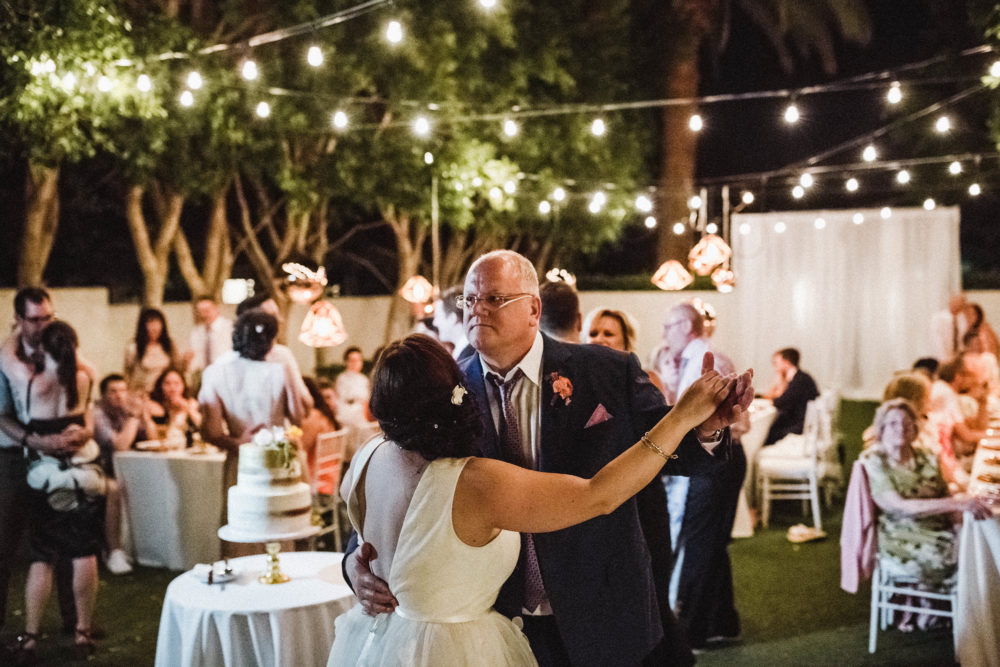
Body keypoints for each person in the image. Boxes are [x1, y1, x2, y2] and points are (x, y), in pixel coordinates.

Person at [347, 250, 753, 666]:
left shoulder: (605, 371)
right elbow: (401, 486)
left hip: (603, 607)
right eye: (469, 300)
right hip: (497, 619)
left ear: (533, 309)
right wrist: (355, 566)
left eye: (494, 299)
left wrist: (706, 428)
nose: (477, 310)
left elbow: (677, 454)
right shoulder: (444, 386)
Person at [8, 321, 103, 660]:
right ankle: (82, 633)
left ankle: (31, 637)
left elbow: (8, 360)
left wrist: (19, 333)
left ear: (41, 350)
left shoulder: (33, 382)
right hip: (85, 472)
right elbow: (82, 364)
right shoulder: (85, 378)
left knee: (42, 556)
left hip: (46, 477)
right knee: (83, 552)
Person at [0, 288, 86, 643]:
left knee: (66, 538)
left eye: (47, 317)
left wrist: (81, 428)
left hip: (57, 457)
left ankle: (74, 621)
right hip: (11, 457)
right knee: (4, 541)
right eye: (34, 319)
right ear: (19, 320)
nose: (42, 325)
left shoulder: (60, 347)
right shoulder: (7, 357)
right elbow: (1, 416)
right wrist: (33, 441)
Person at [860, 399, 991, 626]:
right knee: (963, 557)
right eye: (892, 424)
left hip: (937, 525)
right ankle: (968, 621)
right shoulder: (875, 463)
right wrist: (958, 504)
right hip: (902, 532)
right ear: (881, 429)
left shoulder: (926, 456)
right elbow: (901, 506)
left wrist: (959, 519)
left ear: (915, 429)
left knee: (976, 543)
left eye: (906, 423)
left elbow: (945, 491)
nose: (900, 428)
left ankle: (975, 617)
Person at [660, 303, 746, 649]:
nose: (664, 336)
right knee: (710, 541)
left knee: (699, 542)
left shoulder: (704, 361)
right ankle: (721, 621)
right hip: (719, 456)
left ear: (684, 325)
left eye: (668, 327)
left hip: (715, 457)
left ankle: (692, 629)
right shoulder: (697, 360)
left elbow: (722, 420)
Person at [199, 311, 312, 555]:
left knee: (243, 533)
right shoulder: (280, 370)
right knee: (279, 534)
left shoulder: (215, 372)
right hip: (278, 460)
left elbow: (211, 431)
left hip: (242, 462)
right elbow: (298, 417)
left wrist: (239, 442)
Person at [92, 373, 156, 575]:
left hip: (128, 470)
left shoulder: (125, 412)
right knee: (114, 488)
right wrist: (134, 417)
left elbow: (153, 439)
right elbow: (120, 445)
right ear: (102, 395)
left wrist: (144, 415)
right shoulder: (97, 414)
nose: (119, 396)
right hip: (100, 469)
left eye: (122, 390)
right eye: (113, 391)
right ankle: (114, 551)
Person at [763, 348, 820, 445]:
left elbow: (780, 402)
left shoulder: (799, 381)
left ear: (786, 363)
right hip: (801, 423)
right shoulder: (801, 377)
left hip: (798, 427)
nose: (775, 367)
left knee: (768, 434)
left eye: (776, 363)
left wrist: (779, 378)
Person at [124, 308, 184, 394]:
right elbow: (128, 374)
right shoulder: (133, 347)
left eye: (157, 323)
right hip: (143, 393)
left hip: (165, 393)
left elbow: (178, 369)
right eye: (150, 323)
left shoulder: (170, 345)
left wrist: (185, 361)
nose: (154, 327)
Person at [300, 376, 342, 483]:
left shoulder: (314, 416)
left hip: (316, 481)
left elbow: (298, 448)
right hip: (330, 477)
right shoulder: (325, 415)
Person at [146, 368, 201, 443]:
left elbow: (204, 428)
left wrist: (188, 409)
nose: (172, 388)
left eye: (177, 383)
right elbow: (152, 439)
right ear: (160, 386)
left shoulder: (191, 404)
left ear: (183, 385)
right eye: (167, 383)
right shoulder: (155, 407)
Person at [187, 295, 233, 381]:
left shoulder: (229, 328)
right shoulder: (196, 332)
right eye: (200, 311)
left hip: (226, 377)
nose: (203, 315)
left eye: (207, 310)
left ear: (217, 309)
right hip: (204, 378)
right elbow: (196, 359)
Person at [433, 286, 475, 360]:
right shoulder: (467, 352)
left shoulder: (469, 356)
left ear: (452, 318)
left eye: (438, 316)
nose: (434, 323)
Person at [335, 346, 371, 428]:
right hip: (347, 415)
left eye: (359, 360)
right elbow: (345, 398)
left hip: (362, 415)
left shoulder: (364, 379)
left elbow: (367, 399)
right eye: (353, 361)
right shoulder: (342, 378)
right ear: (346, 362)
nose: (356, 363)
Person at [928, 293, 969, 363]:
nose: (957, 305)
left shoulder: (964, 319)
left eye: (961, 302)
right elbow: (936, 340)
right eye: (955, 302)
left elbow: (963, 339)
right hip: (942, 357)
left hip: (958, 359)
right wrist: (944, 359)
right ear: (950, 302)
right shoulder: (938, 318)